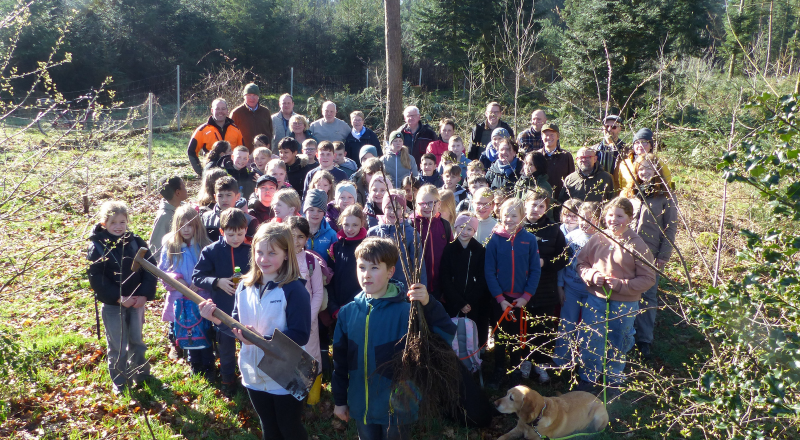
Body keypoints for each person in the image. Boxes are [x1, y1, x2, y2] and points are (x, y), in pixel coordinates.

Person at [332, 238, 455, 439]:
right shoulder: (348, 313)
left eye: (374, 268)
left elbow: (445, 334)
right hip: (361, 407)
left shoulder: (407, 312)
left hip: (397, 409)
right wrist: (340, 400)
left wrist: (428, 304)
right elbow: (340, 362)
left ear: (390, 271)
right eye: (361, 267)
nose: (366, 274)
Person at [198, 223, 310, 439]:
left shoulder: (294, 289)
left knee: (289, 428)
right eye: (259, 251)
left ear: (286, 254)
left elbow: (300, 334)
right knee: (268, 427)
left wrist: (261, 340)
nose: (264, 259)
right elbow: (236, 325)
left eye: (272, 253)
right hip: (253, 371)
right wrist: (217, 320)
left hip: (287, 372)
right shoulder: (244, 286)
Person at [575, 197, 656, 394]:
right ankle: (588, 377)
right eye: (610, 215)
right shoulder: (598, 238)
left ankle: (613, 379)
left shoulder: (637, 244)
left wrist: (621, 285)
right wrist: (592, 275)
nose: (613, 220)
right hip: (596, 300)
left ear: (629, 218)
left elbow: (648, 278)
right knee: (592, 338)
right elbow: (580, 263)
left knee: (619, 342)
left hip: (624, 305)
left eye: (619, 216)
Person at [87, 201, 157, 394]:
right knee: (118, 345)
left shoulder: (135, 242)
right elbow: (97, 280)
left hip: (136, 302)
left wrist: (144, 294)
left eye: (122, 222)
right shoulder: (98, 247)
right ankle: (120, 382)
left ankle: (142, 375)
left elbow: (150, 268)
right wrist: (119, 298)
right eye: (113, 223)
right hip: (113, 305)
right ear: (104, 223)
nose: (118, 226)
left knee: (137, 341)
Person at [192, 208, 253, 395]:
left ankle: (249, 380)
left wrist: (248, 280)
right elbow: (197, 277)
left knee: (248, 346)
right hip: (222, 311)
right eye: (231, 234)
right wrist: (217, 282)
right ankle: (227, 381)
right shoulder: (211, 251)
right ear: (221, 232)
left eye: (240, 234)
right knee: (226, 349)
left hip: (247, 310)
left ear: (246, 231)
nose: (236, 238)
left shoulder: (251, 250)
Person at [622, 154, 677, 359]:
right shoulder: (630, 194)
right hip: (627, 252)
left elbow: (670, 229)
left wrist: (663, 255)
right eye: (641, 169)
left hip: (651, 255)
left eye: (649, 169)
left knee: (648, 295)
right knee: (626, 292)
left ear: (657, 171)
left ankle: (644, 339)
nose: (644, 173)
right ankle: (625, 335)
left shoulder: (666, 196)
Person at [484, 197, 541, 387]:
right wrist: (500, 298)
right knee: (500, 336)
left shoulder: (529, 239)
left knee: (518, 337)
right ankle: (500, 369)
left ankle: (515, 370)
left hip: (521, 300)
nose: (509, 219)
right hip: (500, 300)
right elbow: (489, 271)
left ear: (522, 217)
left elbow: (535, 270)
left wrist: (526, 296)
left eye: (514, 216)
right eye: (505, 215)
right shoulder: (494, 240)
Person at [520, 188, 569, 383]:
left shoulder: (553, 229)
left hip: (545, 288)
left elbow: (564, 257)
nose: (536, 209)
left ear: (546, 209)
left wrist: (545, 263)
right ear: (525, 204)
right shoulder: (517, 225)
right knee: (523, 329)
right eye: (533, 204)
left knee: (543, 329)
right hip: (520, 288)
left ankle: (541, 365)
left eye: (541, 206)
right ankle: (524, 363)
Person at [157, 205, 213, 375]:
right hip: (180, 298)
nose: (186, 229)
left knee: (204, 330)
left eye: (190, 225)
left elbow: (212, 269)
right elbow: (163, 271)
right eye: (182, 225)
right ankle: (194, 364)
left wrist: (202, 282)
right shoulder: (171, 246)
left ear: (197, 226)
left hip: (201, 297)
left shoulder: (205, 245)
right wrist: (177, 280)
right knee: (187, 331)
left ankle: (208, 364)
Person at [553, 201, 601, 368]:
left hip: (592, 292)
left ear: (598, 220)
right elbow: (562, 264)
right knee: (567, 324)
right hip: (570, 289)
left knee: (588, 327)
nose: (584, 223)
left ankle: (585, 363)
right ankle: (560, 361)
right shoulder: (570, 238)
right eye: (582, 218)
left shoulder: (602, 240)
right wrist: (559, 286)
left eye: (590, 219)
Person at [285, 216, 326, 390]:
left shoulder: (311, 261)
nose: (295, 240)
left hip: (309, 318)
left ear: (307, 239)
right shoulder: (279, 258)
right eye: (291, 235)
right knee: (289, 353)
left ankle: (313, 394)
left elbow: (317, 292)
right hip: (284, 317)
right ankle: (293, 390)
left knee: (311, 353)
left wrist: (310, 316)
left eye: (300, 236)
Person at [440, 214, 491, 347]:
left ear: (475, 231)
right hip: (453, 301)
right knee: (453, 332)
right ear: (455, 227)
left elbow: (482, 278)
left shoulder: (480, 250)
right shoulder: (449, 249)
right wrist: (459, 302)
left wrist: (469, 302)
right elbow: (445, 277)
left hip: (473, 303)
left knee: (473, 332)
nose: (465, 232)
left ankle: (475, 357)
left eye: (469, 229)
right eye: (461, 227)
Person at [367, 191, 427, 288]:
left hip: (402, 289)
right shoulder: (372, 233)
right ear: (383, 208)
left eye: (398, 208)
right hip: (377, 287)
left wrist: (420, 290)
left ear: (404, 210)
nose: (393, 211)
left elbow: (418, 265)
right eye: (389, 207)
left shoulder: (411, 233)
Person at [327, 204, 370, 318]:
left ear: (362, 224)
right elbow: (329, 279)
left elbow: (367, 280)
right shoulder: (335, 247)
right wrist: (333, 308)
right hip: (336, 310)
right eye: (346, 225)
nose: (350, 229)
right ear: (341, 223)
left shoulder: (367, 247)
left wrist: (348, 305)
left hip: (359, 306)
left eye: (355, 225)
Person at [413, 184, 453, 299]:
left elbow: (449, 256)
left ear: (439, 204)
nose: (426, 207)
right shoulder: (411, 225)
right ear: (416, 205)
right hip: (418, 287)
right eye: (422, 203)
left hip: (439, 287)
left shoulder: (444, 225)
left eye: (431, 203)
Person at [187, 98, 244, 176]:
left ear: (227, 111)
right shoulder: (202, 130)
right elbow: (191, 151)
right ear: (212, 110)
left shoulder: (236, 129)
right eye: (217, 109)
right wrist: (201, 172)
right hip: (212, 174)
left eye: (223, 109)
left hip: (233, 173)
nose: (220, 111)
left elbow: (242, 151)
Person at [201, 176, 259, 242]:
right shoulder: (206, 218)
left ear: (237, 196)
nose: (224, 200)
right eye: (220, 196)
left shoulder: (250, 221)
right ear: (215, 197)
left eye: (229, 195)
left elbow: (253, 247)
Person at [149, 176, 188, 261]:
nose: (186, 189)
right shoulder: (164, 217)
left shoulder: (186, 209)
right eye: (184, 187)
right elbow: (155, 249)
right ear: (178, 192)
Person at [535, 123, 574, 202]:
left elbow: (572, 179)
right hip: (540, 200)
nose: (549, 137)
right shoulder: (536, 156)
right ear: (542, 137)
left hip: (561, 201)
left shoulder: (566, 156)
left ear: (558, 136)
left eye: (552, 135)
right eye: (546, 135)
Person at [230, 83, 273, 153]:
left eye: (254, 95)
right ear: (244, 96)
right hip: (244, 155)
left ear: (258, 97)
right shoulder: (236, 113)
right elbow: (231, 136)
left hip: (263, 155)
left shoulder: (265, 112)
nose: (252, 98)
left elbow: (270, 133)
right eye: (249, 95)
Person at [304, 189, 338, 264]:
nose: (315, 214)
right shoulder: (298, 231)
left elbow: (335, 261)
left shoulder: (331, 235)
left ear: (324, 213)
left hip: (323, 274)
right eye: (311, 210)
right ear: (305, 210)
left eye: (319, 211)